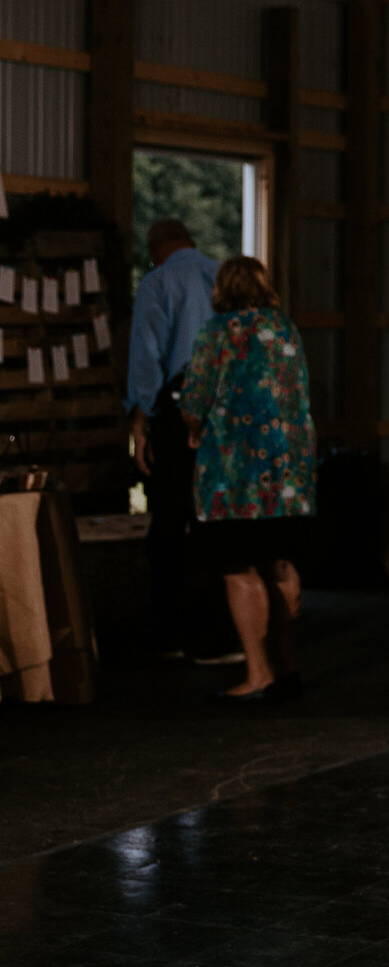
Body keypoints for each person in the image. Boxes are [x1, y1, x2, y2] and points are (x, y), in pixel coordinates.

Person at [179, 256, 315, 704]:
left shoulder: (218, 333)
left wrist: (193, 428)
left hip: (234, 475)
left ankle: (259, 672)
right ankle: (288, 666)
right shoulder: (286, 329)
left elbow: (194, 399)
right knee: (280, 563)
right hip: (288, 473)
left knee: (239, 568)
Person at [124, 218, 224, 661]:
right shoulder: (224, 274)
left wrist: (141, 419)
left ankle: (169, 634)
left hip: (176, 411)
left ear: (155, 250)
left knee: (168, 522)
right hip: (225, 413)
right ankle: (218, 631)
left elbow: (148, 355)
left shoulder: (157, 283)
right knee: (215, 521)